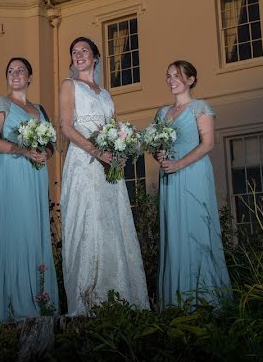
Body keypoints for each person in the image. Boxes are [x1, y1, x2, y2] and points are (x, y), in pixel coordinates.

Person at [59, 37, 149, 315]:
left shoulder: (106, 94)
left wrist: (120, 152)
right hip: (83, 162)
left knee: (113, 223)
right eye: (74, 52)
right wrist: (96, 151)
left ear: (96, 57)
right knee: (89, 221)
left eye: (84, 50)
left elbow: (115, 129)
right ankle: (88, 297)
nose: (79, 55)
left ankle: (119, 294)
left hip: (109, 165)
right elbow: (66, 126)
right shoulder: (69, 85)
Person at [0, 57, 59, 324]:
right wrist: (23, 150)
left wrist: (44, 153)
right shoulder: (0, 104)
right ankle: (15, 302)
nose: (15, 74)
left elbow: (51, 143)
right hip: (13, 171)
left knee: (34, 230)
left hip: (36, 174)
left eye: (21, 70)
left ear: (29, 77)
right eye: (11, 71)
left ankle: (41, 300)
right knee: (16, 230)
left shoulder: (39, 109)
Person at [155, 60, 230, 308]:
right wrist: (160, 156)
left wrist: (179, 164)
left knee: (195, 229)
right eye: (168, 76)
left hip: (193, 173)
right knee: (174, 232)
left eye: (177, 75)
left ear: (190, 80)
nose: (171, 79)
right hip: (169, 177)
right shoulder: (162, 113)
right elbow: (156, 145)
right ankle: (176, 301)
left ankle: (205, 300)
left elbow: (207, 144)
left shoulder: (200, 107)